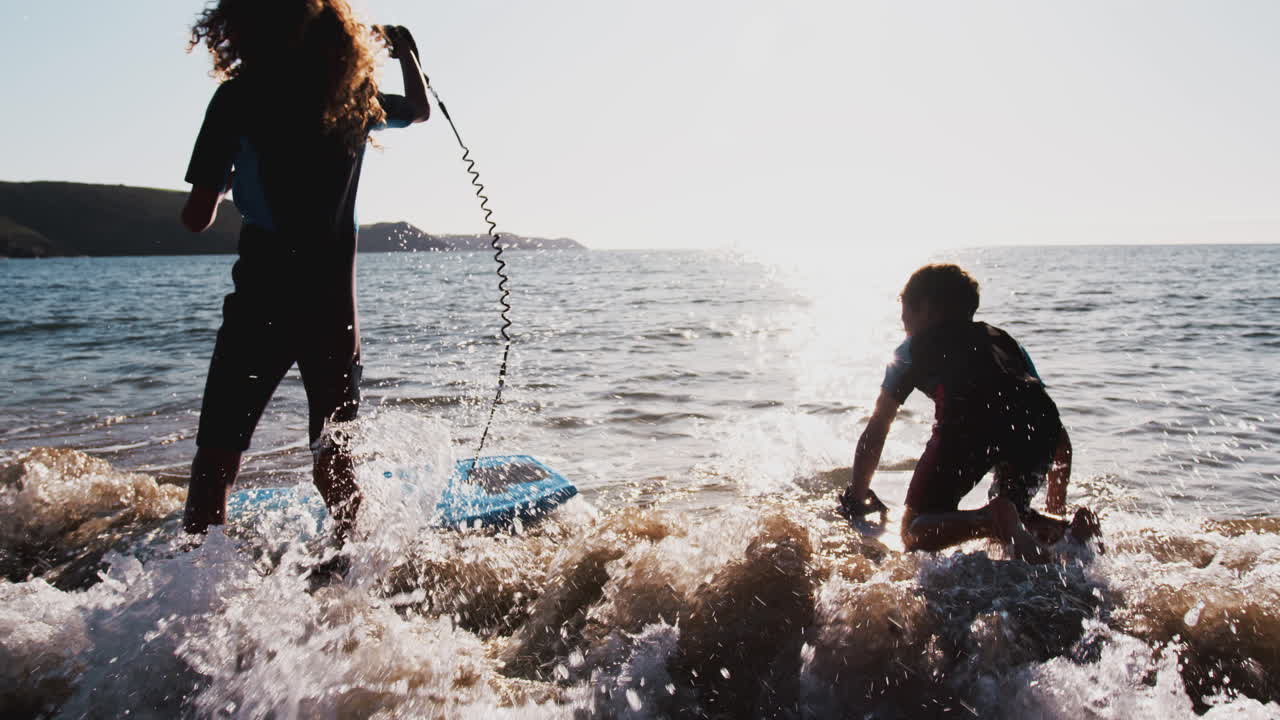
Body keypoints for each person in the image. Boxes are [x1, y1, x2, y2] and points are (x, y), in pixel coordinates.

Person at [179, 0, 430, 541]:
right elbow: (416, 109)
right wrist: (406, 52)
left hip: (261, 300)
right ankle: (349, 580)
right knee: (335, 461)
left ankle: (195, 594)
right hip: (332, 308)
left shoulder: (237, 99)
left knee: (216, 462)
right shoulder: (353, 99)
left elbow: (197, 218)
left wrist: (228, 182)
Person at [839, 264, 1100, 562]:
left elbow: (878, 426)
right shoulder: (1006, 343)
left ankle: (988, 520)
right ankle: (1068, 532)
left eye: (905, 315)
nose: (904, 325)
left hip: (969, 422)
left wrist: (858, 495)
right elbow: (1058, 436)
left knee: (913, 530)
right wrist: (1057, 507)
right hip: (1039, 426)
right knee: (1015, 516)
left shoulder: (913, 349)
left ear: (925, 309)